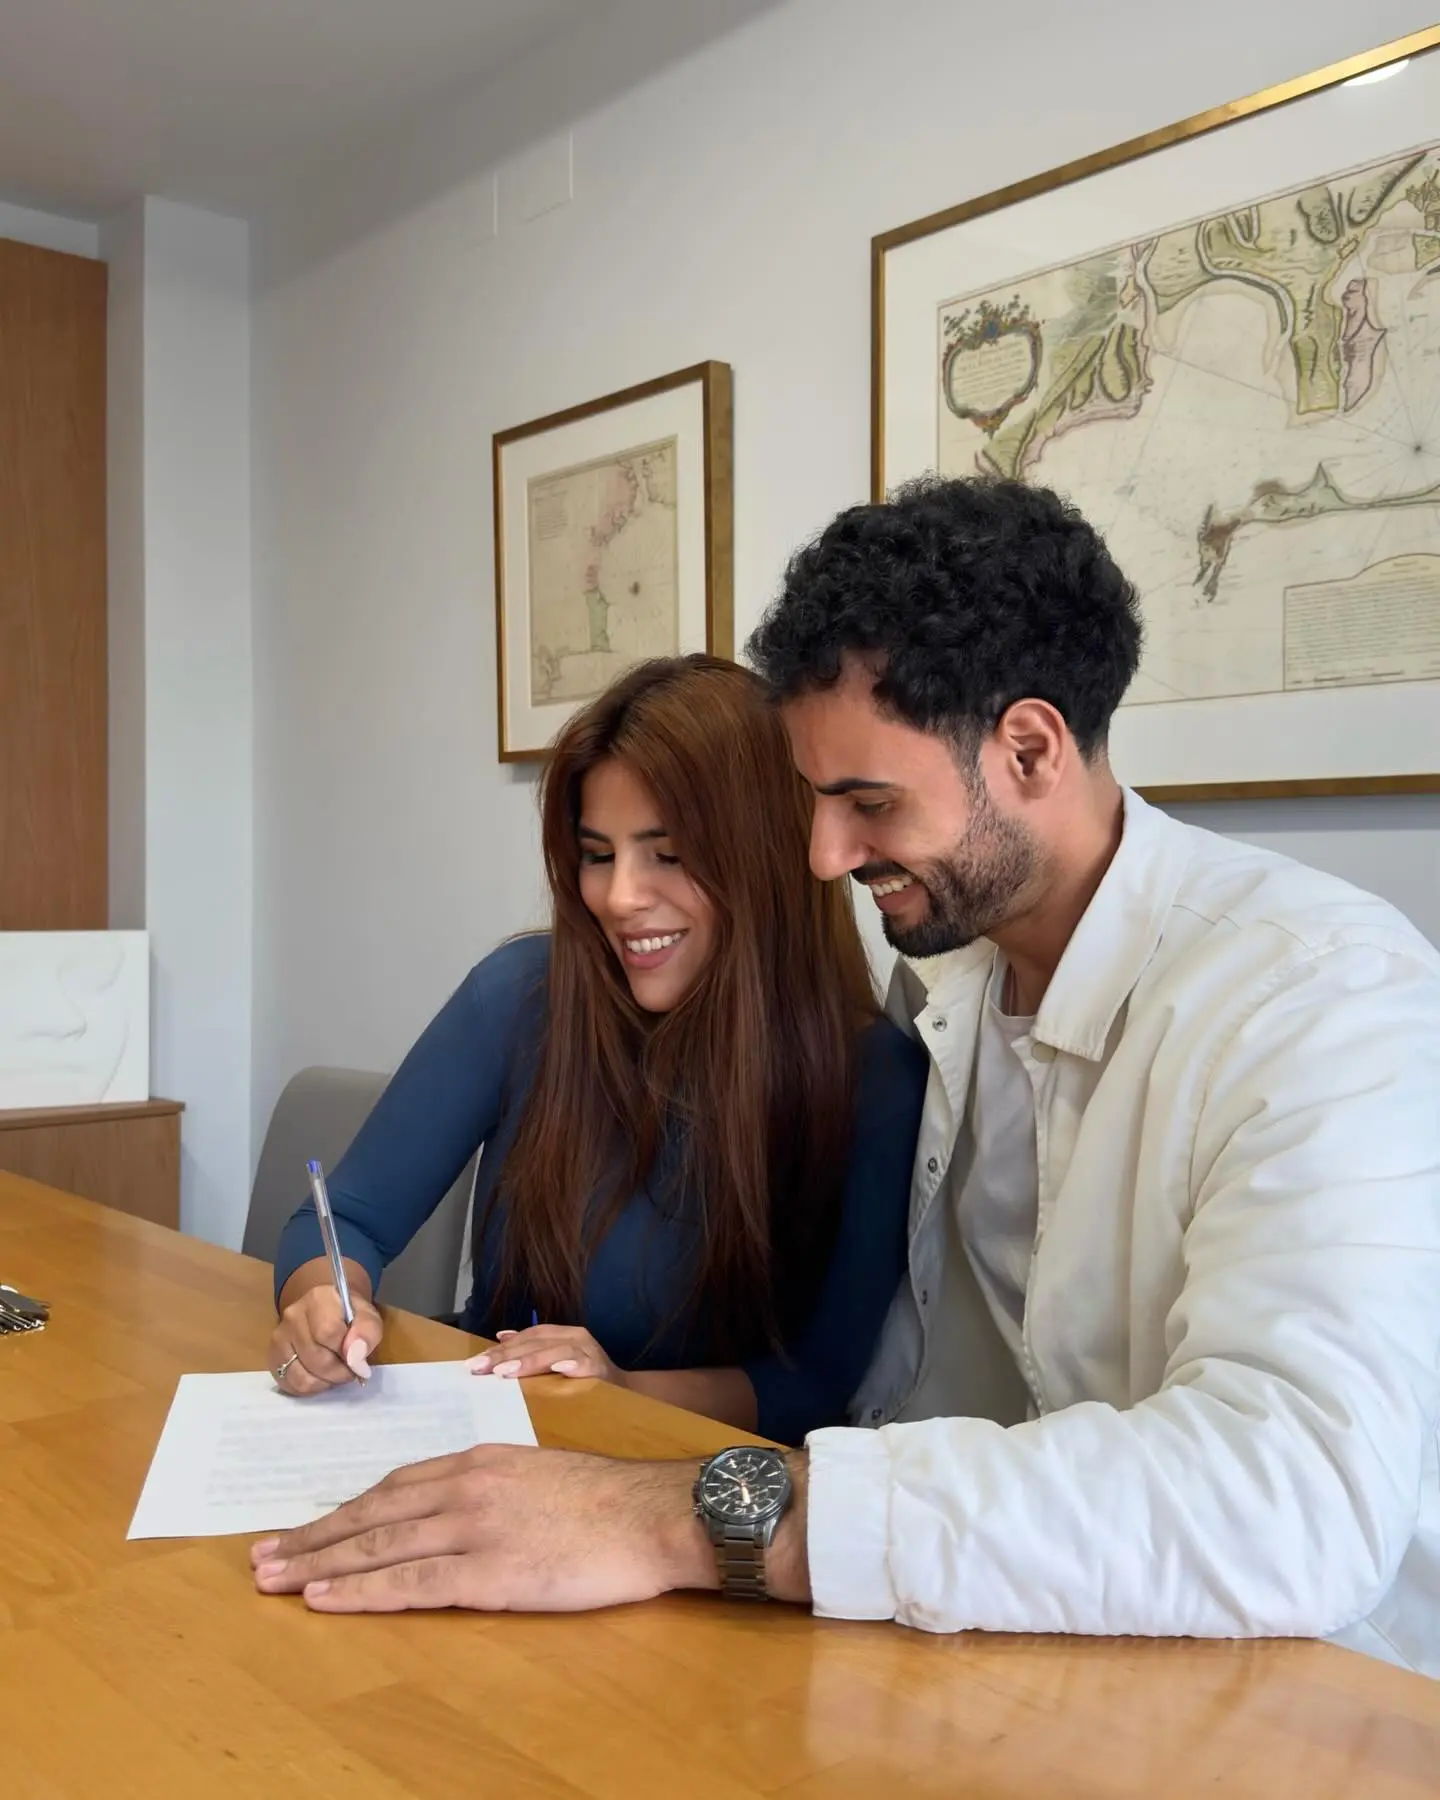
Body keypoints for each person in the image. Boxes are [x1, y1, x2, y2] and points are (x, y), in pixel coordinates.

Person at [251, 479, 1440, 1683]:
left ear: (1028, 748)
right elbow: (881, 1383)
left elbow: (1296, 1498)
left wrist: (673, 1512)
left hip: (1294, 1682)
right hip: (968, 1634)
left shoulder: (1323, 995)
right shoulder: (942, 987)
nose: (823, 857)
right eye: (815, 805)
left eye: (867, 804)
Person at [266, 653, 927, 1447]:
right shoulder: (521, 995)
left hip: (687, 1488)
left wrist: (618, 1388)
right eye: (597, 854)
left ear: (769, 856)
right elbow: (343, 1221)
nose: (619, 898)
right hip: (486, 1447)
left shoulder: (875, 1079)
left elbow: (813, 1385)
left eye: (668, 854)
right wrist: (324, 1301)